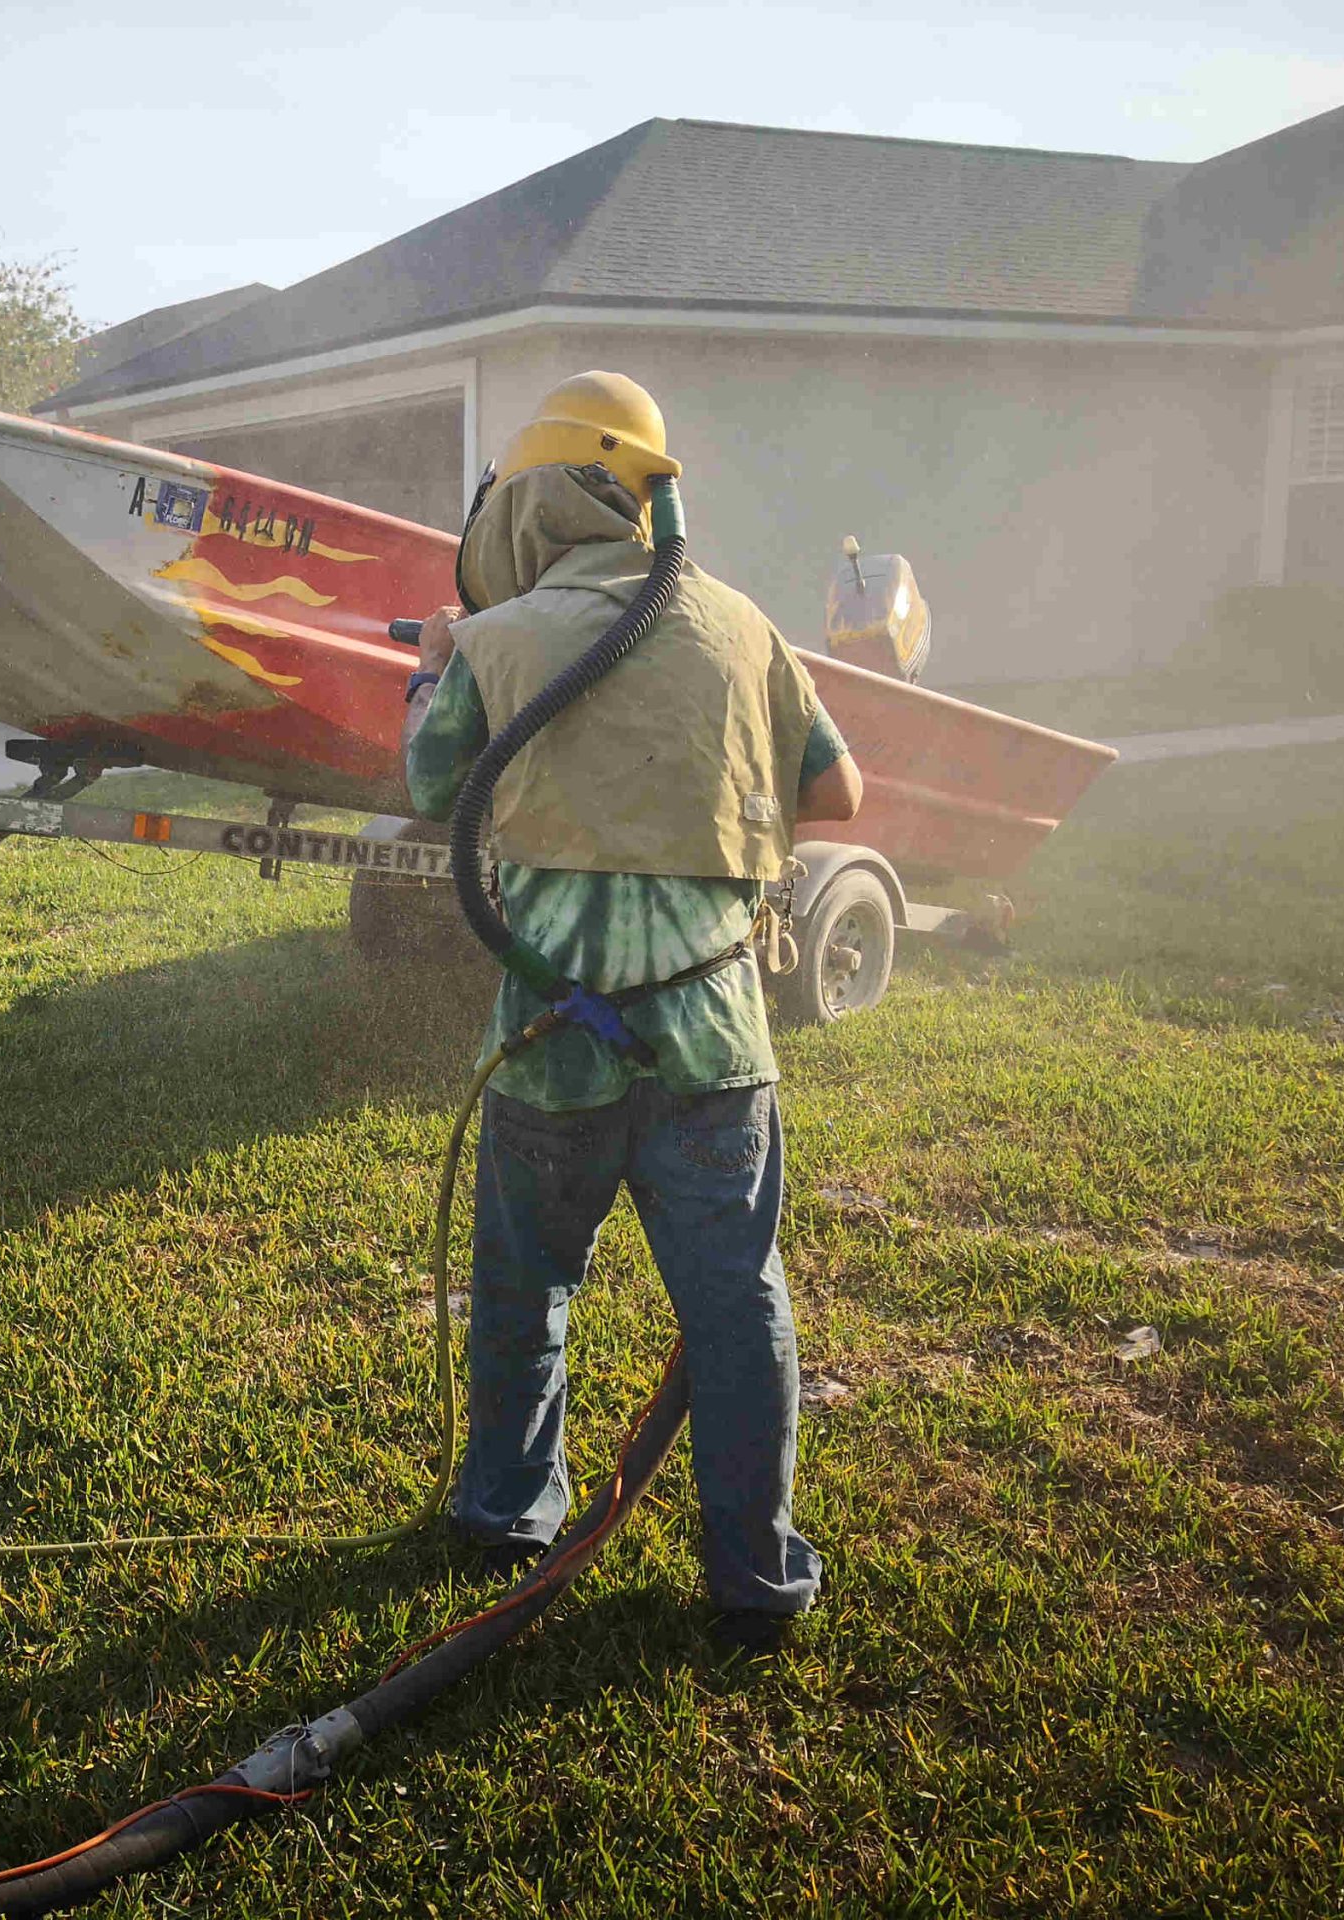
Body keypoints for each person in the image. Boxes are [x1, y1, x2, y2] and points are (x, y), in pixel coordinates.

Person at [403, 372, 862, 1657]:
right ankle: (755, 1577)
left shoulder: (496, 642)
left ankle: (505, 1514)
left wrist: (438, 666)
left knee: (525, 1284)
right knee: (736, 1303)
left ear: (533, 503)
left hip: (551, 1048)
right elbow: (841, 796)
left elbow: (431, 779)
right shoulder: (741, 624)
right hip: (715, 1046)